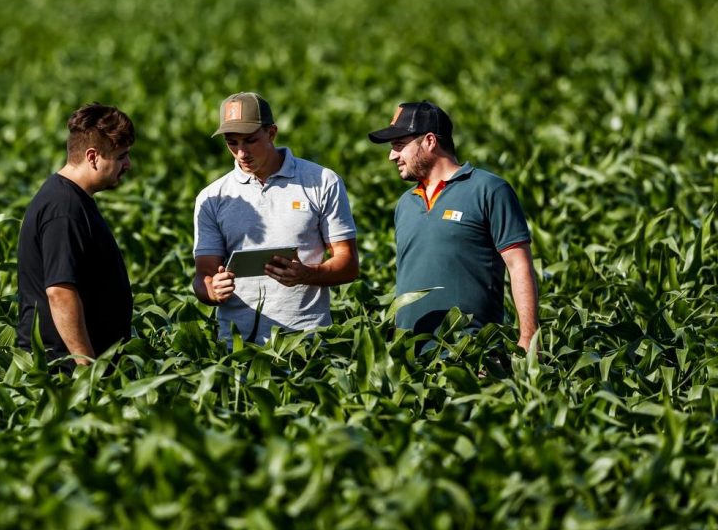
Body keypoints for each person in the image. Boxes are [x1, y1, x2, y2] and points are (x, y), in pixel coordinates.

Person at [368, 100, 539, 351]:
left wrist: (528, 340)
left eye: (399, 145)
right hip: (409, 358)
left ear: (429, 141)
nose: (392, 155)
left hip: (471, 353)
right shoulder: (405, 203)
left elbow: (519, 265)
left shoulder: (489, 190)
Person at [193, 91, 359, 344]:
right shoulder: (212, 197)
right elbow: (202, 275)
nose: (241, 153)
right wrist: (212, 289)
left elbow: (348, 264)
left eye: (249, 140)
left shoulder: (322, 181)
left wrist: (306, 274)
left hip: (307, 342)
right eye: (232, 142)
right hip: (238, 344)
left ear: (272, 133)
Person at [16, 103, 135, 365]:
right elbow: (60, 292)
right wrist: (86, 369)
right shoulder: (64, 208)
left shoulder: (72, 199)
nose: (128, 164)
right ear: (92, 157)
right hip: (62, 371)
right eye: (121, 156)